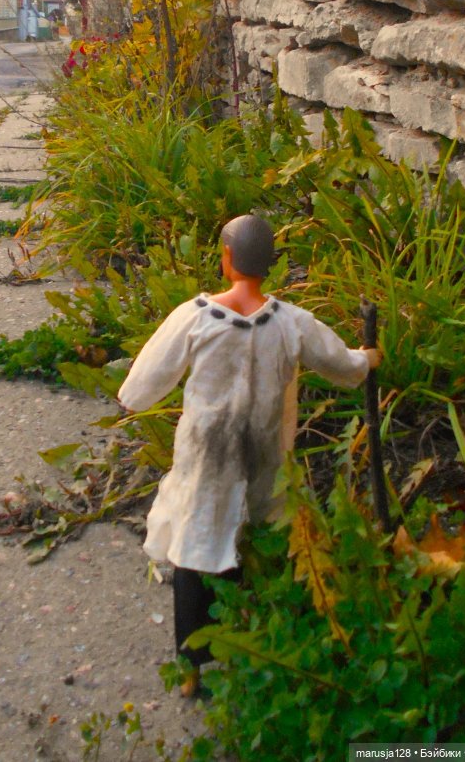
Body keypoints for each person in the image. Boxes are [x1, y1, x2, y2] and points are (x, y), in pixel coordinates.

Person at [117, 214, 380, 695]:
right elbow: (338, 362)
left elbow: (144, 379)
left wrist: (132, 397)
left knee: (197, 546)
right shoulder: (291, 323)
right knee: (255, 533)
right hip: (263, 451)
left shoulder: (195, 317)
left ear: (226, 259)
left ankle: (193, 667)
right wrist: (365, 359)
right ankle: (253, 639)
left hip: (207, 454)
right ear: (271, 264)